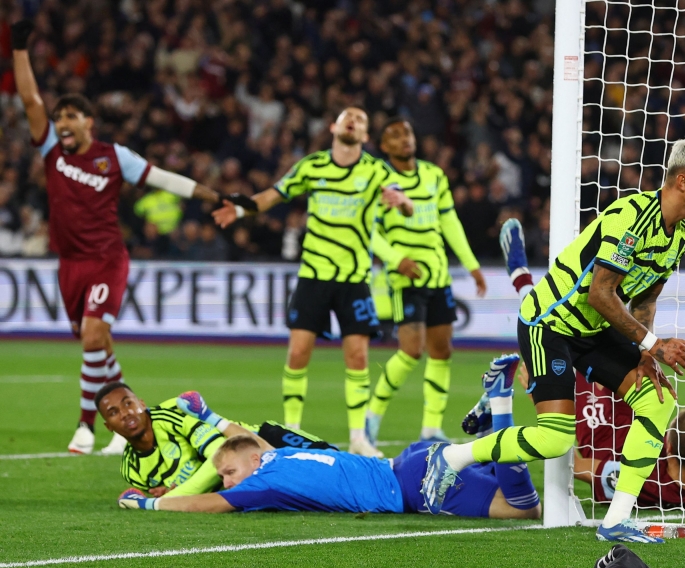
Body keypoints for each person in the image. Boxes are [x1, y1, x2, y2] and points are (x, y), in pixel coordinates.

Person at [423, 136, 685, 544]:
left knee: (659, 401)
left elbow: (644, 301)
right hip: (548, 325)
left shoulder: (678, 237)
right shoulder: (631, 217)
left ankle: (615, 521)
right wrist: (655, 345)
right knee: (555, 438)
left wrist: (643, 355)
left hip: (594, 329)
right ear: (684, 181)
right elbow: (600, 293)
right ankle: (450, 457)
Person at [11, 20, 223, 456]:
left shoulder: (113, 157)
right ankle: (128, 413)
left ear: (89, 121)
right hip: (69, 263)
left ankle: (86, 426)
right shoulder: (52, 150)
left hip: (107, 257)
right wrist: (18, 49)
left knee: (92, 337)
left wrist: (214, 194)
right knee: (98, 344)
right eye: (58, 118)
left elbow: (163, 178)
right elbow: (31, 98)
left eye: (71, 116)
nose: (61, 123)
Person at [212, 107, 413, 458]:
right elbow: (271, 196)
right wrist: (241, 209)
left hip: (353, 279)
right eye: (348, 116)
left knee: (358, 357)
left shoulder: (376, 170)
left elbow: (404, 203)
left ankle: (358, 437)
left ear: (365, 136)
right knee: (298, 353)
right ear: (333, 126)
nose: (353, 120)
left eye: (361, 119)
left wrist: (403, 202)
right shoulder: (311, 166)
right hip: (313, 276)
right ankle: (289, 431)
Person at [495, 220, 685, 511]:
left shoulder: (651, 478)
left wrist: (539, 390)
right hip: (612, 404)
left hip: (599, 407)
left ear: (667, 443)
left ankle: (523, 275)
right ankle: (525, 277)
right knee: (579, 320)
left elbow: (575, 464)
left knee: (558, 321)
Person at [117, 357, 541, 520]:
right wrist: (210, 416)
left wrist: (151, 503)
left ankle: (499, 409)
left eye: (228, 473)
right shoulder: (274, 456)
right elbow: (245, 441)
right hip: (410, 463)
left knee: (521, 510)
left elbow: (206, 503)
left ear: (252, 462)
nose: (227, 482)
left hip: (416, 485)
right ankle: (493, 418)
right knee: (529, 501)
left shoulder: (265, 480)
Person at [365, 118, 487, 444]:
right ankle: (371, 418)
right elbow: (368, 230)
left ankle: (431, 429)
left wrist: (472, 265)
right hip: (404, 276)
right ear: (384, 146)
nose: (404, 138)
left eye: (407, 131)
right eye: (394, 135)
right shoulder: (377, 180)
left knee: (442, 351)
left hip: (437, 274)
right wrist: (395, 259)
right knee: (411, 350)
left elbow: (449, 221)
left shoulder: (434, 175)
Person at [573, 331, 685, 510]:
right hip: (640, 419)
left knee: (583, 348)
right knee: (619, 348)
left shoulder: (637, 479)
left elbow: (577, 466)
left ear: (668, 445)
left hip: (601, 439)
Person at [97, 383, 335, 496]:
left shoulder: (174, 413)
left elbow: (219, 457)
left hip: (259, 440)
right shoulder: (132, 471)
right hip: (245, 480)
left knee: (336, 463)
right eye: (114, 412)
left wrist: (173, 497)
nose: (126, 413)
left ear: (141, 403)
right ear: (108, 427)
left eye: (128, 403)